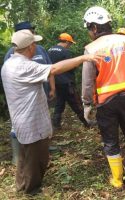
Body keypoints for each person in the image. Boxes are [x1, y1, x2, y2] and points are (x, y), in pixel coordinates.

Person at [1, 29, 99, 194]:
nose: (36, 46)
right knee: (37, 158)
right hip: (31, 121)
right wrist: (83, 58)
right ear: (31, 46)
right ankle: (32, 190)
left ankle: (21, 184)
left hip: (20, 120)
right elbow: (53, 69)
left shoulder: (9, 64)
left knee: (25, 156)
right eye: (35, 44)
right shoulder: (23, 66)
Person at [82, 6, 125, 188]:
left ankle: (118, 180)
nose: (89, 33)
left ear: (95, 28)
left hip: (106, 102)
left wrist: (87, 104)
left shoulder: (91, 48)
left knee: (111, 140)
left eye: (89, 29)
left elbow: (88, 82)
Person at [3, 21, 55, 165]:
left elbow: (50, 69)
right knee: (22, 128)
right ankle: (19, 157)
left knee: (40, 126)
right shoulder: (12, 55)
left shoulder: (40, 49)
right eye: (30, 31)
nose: (32, 33)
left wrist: (52, 88)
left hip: (40, 95)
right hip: (22, 101)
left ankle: (43, 151)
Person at [48, 33, 91, 129]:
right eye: (70, 43)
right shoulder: (65, 51)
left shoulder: (49, 50)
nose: (70, 46)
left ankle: (56, 124)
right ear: (66, 42)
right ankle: (86, 122)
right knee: (76, 103)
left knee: (59, 102)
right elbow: (71, 67)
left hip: (55, 82)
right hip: (66, 82)